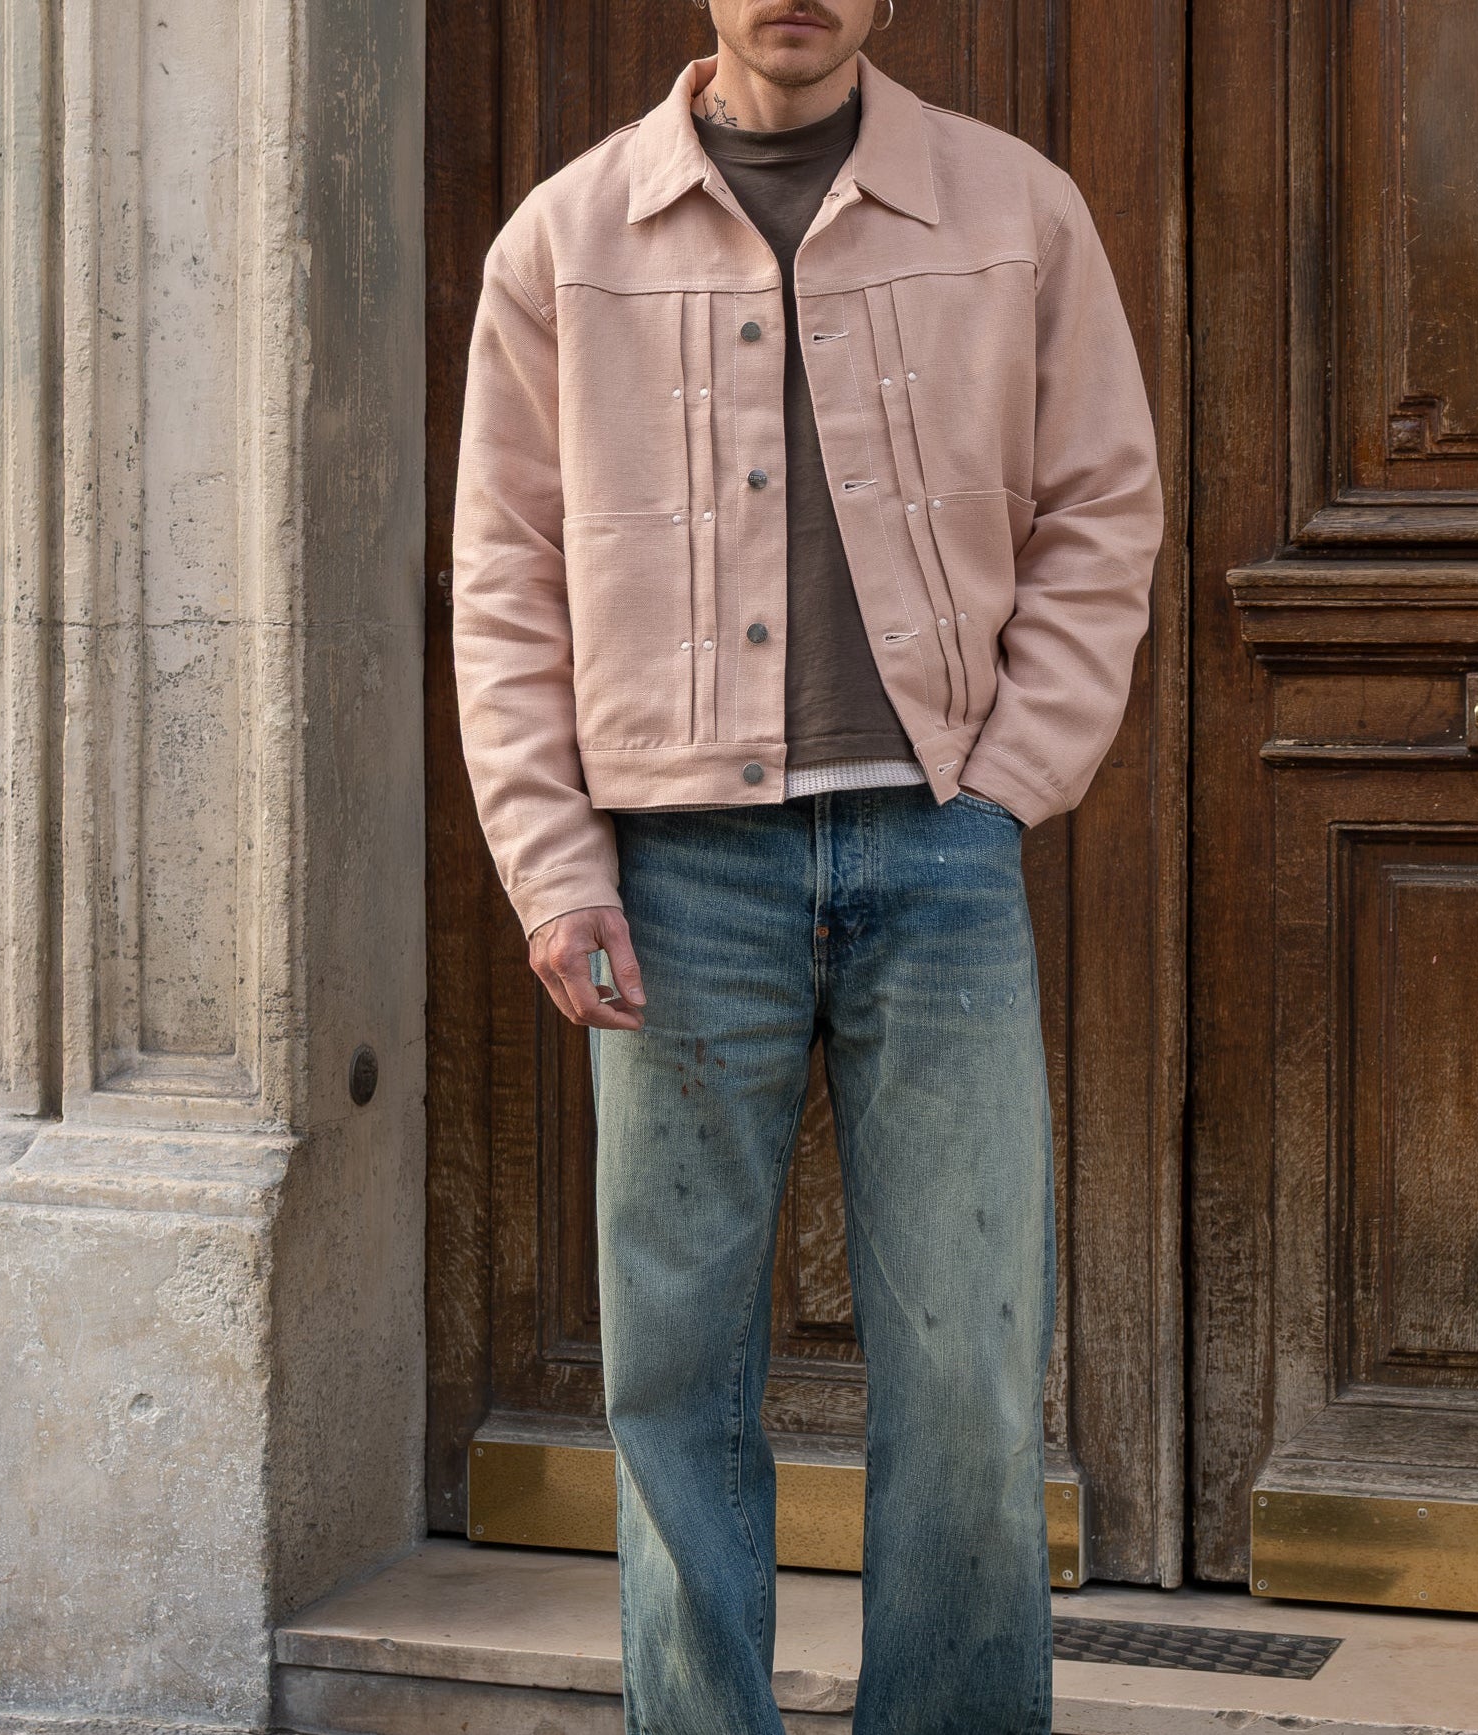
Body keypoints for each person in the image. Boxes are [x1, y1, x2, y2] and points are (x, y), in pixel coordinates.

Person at [452, 2, 1161, 1728]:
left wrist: (1007, 785)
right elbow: (506, 573)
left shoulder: (1015, 209)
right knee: (673, 1375)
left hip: (939, 857)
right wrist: (555, 862)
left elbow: (1103, 504)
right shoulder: (566, 238)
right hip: (678, 878)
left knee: (972, 1368)